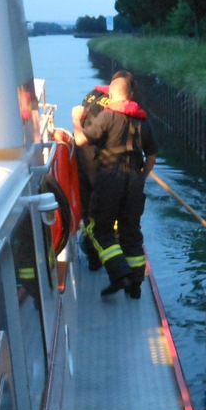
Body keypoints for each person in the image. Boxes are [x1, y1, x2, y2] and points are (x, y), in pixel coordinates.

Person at [71, 74, 157, 300]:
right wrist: (143, 176)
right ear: (130, 96)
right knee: (131, 232)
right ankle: (135, 287)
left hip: (110, 179)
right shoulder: (144, 120)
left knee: (100, 230)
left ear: (110, 96)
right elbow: (151, 155)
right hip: (134, 181)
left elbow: (81, 141)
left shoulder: (108, 117)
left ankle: (119, 274)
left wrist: (75, 120)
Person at [75, 70, 134, 271]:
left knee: (89, 209)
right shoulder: (118, 107)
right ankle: (112, 255)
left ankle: (93, 258)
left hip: (82, 159)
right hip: (102, 164)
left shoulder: (91, 95)